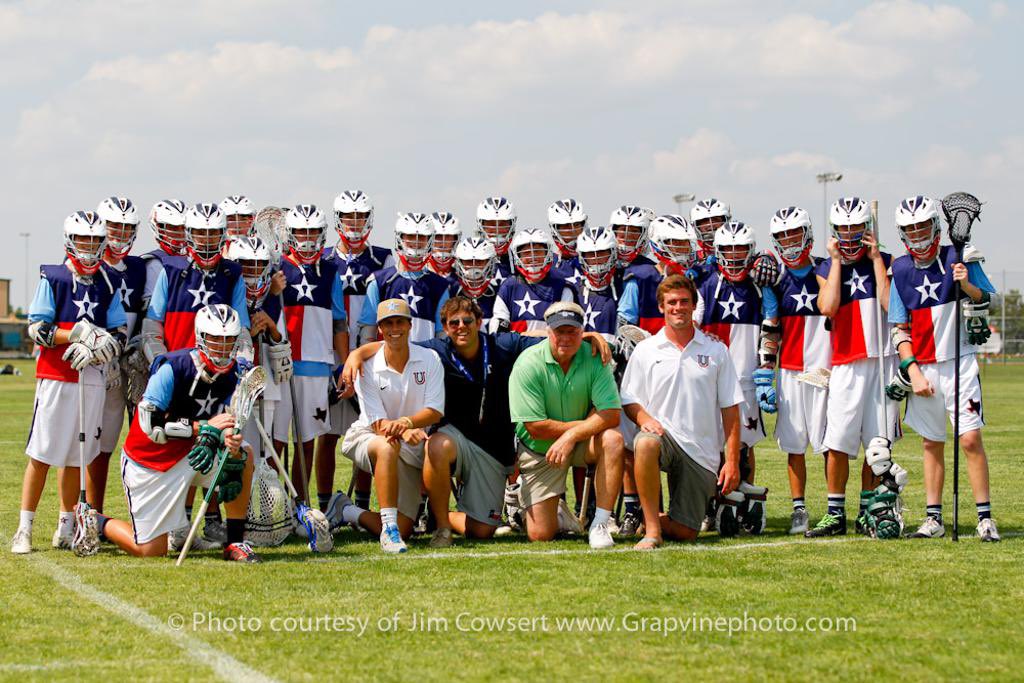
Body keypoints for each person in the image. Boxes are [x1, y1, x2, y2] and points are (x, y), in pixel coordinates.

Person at [338, 296, 610, 547]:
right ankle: (442, 527)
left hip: (492, 449)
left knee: (482, 531)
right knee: (437, 445)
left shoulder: (502, 345)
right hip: (456, 438)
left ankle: (437, 514)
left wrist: (586, 335)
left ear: (479, 323)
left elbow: (547, 338)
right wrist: (357, 354)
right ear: (444, 326)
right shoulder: (437, 351)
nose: (460, 327)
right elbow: (395, 341)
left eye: (467, 321)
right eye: (453, 322)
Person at [94, 305, 260, 562]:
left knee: (243, 455)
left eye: (228, 341)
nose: (222, 347)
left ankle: (235, 543)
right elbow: (153, 427)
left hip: (191, 453)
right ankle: (98, 522)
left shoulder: (233, 376)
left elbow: (227, 420)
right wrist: (203, 428)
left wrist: (231, 440)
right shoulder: (173, 368)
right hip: (150, 462)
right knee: (151, 551)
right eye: (215, 339)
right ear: (201, 338)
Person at [12, 211, 126, 554]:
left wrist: (102, 349)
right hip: (56, 377)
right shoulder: (55, 277)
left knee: (77, 455)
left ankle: (66, 526)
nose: (89, 247)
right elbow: (37, 328)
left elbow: (118, 332)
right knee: (42, 453)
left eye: (95, 241)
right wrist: (74, 333)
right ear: (70, 241)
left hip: (92, 378)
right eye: (83, 240)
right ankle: (25, 527)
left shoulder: (108, 282)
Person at [887, 195, 999, 541]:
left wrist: (965, 284)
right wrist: (913, 370)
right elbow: (899, 329)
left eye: (921, 226)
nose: (917, 234)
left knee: (969, 439)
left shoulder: (960, 256)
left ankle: (985, 518)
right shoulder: (902, 271)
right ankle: (933, 518)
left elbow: (986, 299)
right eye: (910, 228)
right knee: (932, 443)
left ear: (934, 225)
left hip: (960, 361)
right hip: (925, 368)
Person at [621, 274, 743, 548]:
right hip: (662, 436)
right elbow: (629, 398)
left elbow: (731, 409)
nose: (678, 307)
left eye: (684, 302)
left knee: (687, 532)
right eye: (672, 302)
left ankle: (652, 519)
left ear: (693, 305)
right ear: (662, 307)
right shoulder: (646, 349)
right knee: (645, 444)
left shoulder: (716, 350)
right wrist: (644, 418)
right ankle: (653, 531)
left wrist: (732, 461)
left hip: (701, 451)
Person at [809, 196, 900, 537]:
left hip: (882, 361)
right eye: (843, 229)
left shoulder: (887, 261)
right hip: (846, 363)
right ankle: (835, 513)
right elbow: (828, 306)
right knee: (838, 442)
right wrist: (835, 262)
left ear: (866, 229)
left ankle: (868, 510)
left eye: (855, 228)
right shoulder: (826, 267)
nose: (849, 235)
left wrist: (876, 260)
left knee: (878, 444)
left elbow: (890, 304)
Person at [508, 302, 624, 548]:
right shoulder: (528, 363)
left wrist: (571, 436)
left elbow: (612, 414)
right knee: (540, 534)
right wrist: (583, 426)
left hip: (582, 443)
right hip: (540, 449)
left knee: (613, 439)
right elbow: (535, 427)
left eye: (572, 331)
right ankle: (556, 512)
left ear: (582, 332)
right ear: (548, 332)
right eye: (559, 331)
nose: (566, 337)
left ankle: (601, 524)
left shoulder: (595, 356)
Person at [339, 299, 444, 554]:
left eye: (400, 322)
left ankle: (345, 510)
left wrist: (407, 424)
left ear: (410, 326)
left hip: (411, 441)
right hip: (368, 435)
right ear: (380, 329)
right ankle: (389, 530)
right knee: (387, 446)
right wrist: (404, 430)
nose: (394, 329)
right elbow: (376, 423)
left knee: (407, 526)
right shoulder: (367, 366)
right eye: (388, 324)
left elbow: (435, 410)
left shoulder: (429, 358)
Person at [697, 221, 777, 535]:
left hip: (745, 379)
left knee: (744, 446)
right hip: (710, 379)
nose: (733, 255)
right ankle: (713, 504)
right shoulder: (706, 284)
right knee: (711, 446)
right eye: (727, 249)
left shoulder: (761, 284)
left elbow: (771, 324)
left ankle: (745, 502)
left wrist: (766, 370)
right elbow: (694, 323)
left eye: (739, 248)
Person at [757, 207, 831, 535]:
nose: (789, 241)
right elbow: (771, 328)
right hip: (789, 371)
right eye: (783, 235)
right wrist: (765, 373)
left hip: (824, 371)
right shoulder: (775, 278)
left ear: (807, 233)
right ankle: (799, 509)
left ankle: (834, 507)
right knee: (794, 445)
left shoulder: (826, 270)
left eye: (794, 233)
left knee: (830, 444)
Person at [319, 190, 392, 514]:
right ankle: (322, 504)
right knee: (328, 433)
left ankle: (362, 504)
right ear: (338, 220)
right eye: (349, 217)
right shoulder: (322, 259)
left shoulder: (384, 258)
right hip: (332, 357)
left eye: (360, 217)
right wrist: (338, 363)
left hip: (370, 357)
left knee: (368, 431)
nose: (355, 223)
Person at [270, 205, 347, 510]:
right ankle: (272, 509)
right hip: (280, 365)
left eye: (313, 231)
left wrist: (343, 365)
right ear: (290, 233)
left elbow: (339, 322)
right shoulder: (276, 267)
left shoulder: (330, 271)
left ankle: (300, 505)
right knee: (275, 442)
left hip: (316, 367)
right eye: (301, 231)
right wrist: (272, 289)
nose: (307, 237)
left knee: (307, 441)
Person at [93, 196, 147, 512]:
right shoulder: (88, 266)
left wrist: (140, 345)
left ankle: (145, 516)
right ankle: (89, 514)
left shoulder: (140, 266)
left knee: (143, 443)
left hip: (133, 362)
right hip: (100, 363)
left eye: (127, 227)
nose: (121, 233)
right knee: (99, 445)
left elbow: (151, 311)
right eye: (115, 225)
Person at [358, 212, 450, 344]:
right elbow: (367, 332)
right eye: (410, 236)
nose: (416, 242)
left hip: (426, 361)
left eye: (421, 237)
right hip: (386, 362)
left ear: (429, 240)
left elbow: (442, 336)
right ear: (400, 238)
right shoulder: (378, 281)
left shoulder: (440, 286)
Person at [491, 228, 574, 333]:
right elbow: (499, 335)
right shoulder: (508, 287)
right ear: (518, 257)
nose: (533, 257)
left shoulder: (562, 288)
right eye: (526, 253)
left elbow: (563, 334)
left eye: (538, 251)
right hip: (516, 349)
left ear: (548, 254)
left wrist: (524, 338)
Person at [476, 196, 517, 288]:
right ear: (481, 226)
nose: (497, 230)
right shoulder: (468, 261)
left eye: (502, 224)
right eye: (491, 224)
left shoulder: (521, 261)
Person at [548, 198, 586, 286]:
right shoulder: (547, 264)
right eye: (566, 226)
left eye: (576, 224)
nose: (572, 231)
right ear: (555, 229)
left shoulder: (598, 258)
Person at [427, 211, 461, 281]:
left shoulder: (463, 276)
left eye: (447, 236)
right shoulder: (417, 273)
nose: (443, 241)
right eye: (438, 236)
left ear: (455, 239)